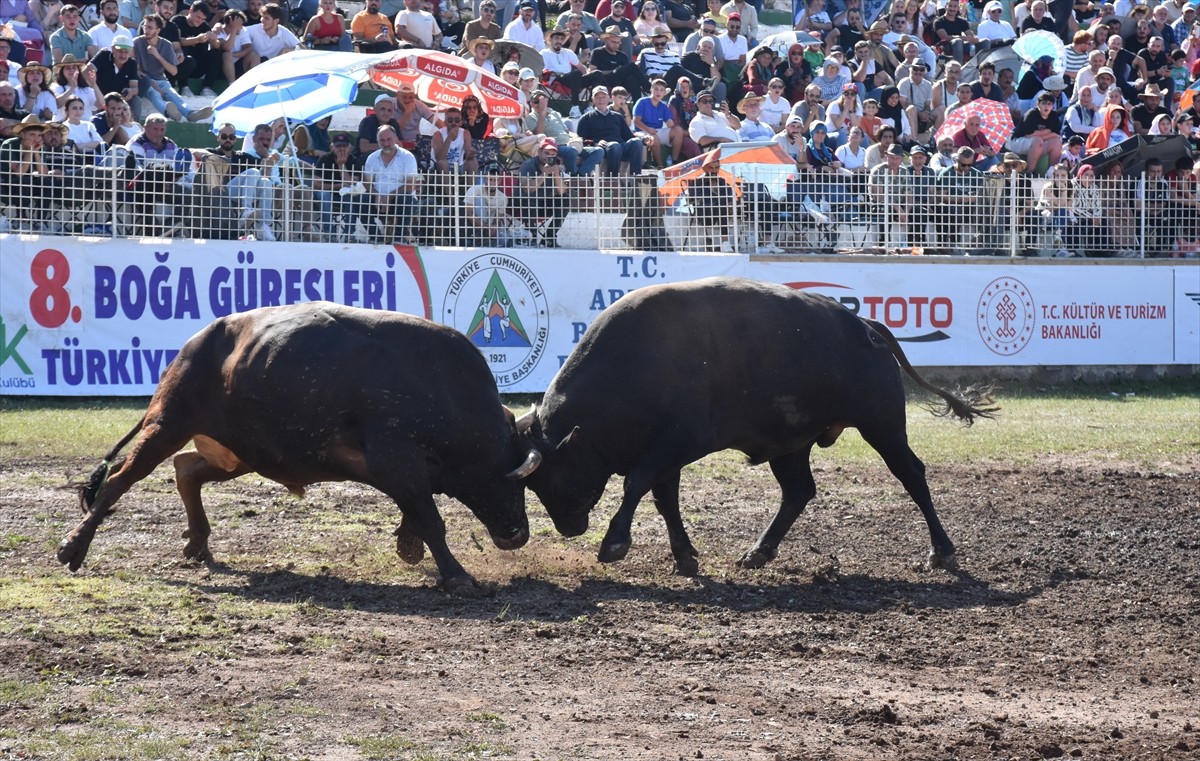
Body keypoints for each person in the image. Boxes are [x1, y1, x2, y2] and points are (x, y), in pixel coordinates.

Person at [134, 14, 211, 121]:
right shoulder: (137, 43)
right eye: (144, 27)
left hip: (161, 79)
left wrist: (158, 56)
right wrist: (155, 86)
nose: (146, 30)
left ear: (158, 30)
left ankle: (190, 114)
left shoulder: (166, 45)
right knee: (154, 94)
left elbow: (174, 71)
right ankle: (168, 112)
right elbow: (138, 70)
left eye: (149, 27)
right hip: (146, 80)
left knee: (173, 94)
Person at [125, 112, 190, 235]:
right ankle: (163, 228)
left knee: (193, 191)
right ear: (145, 128)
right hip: (146, 185)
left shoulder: (171, 145)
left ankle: (171, 226)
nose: (158, 133)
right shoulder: (136, 144)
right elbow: (137, 170)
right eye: (155, 129)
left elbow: (180, 169)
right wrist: (161, 182)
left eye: (162, 129)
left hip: (171, 184)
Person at [363, 124, 418, 242]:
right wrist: (376, 195)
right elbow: (367, 183)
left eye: (389, 139)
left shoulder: (407, 157)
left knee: (405, 199)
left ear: (396, 139)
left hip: (399, 198)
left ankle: (399, 236)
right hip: (377, 198)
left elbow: (410, 185)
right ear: (377, 141)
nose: (386, 143)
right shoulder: (372, 158)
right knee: (361, 198)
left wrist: (390, 196)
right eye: (382, 140)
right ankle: (375, 236)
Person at [308, 131, 368, 241]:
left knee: (350, 196)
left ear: (349, 147)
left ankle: (349, 234)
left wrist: (342, 165)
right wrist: (337, 186)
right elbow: (316, 183)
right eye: (338, 146)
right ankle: (329, 234)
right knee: (324, 195)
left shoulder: (354, 160)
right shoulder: (325, 159)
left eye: (344, 146)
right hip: (327, 194)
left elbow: (352, 184)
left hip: (344, 196)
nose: (341, 149)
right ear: (332, 147)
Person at [576, 85, 643, 175]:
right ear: (593, 99)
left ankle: (636, 177)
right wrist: (595, 142)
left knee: (636, 142)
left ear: (608, 98)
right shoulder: (586, 118)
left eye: (603, 97)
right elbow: (580, 139)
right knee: (614, 145)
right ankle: (612, 179)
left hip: (621, 146)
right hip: (604, 148)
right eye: (598, 97)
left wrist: (643, 139)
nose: (601, 100)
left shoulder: (617, 116)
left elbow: (628, 136)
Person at [516, 137, 569, 245]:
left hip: (543, 203)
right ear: (539, 152)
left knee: (565, 200)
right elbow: (528, 189)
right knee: (531, 197)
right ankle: (531, 234)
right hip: (522, 204)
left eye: (553, 155)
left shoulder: (557, 166)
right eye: (546, 153)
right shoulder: (528, 165)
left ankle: (549, 238)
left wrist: (557, 175)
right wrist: (543, 174)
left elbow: (562, 191)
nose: (549, 157)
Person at [934, 145, 984, 253]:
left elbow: (983, 195)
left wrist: (974, 198)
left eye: (969, 165)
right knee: (956, 209)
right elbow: (940, 196)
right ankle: (953, 242)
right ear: (957, 160)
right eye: (963, 164)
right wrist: (962, 199)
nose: (966, 168)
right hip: (953, 207)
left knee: (984, 210)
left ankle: (981, 242)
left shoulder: (976, 174)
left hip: (972, 207)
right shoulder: (947, 173)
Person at [685, 150, 736, 251]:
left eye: (716, 168)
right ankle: (725, 243)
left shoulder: (723, 183)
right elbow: (697, 199)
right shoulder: (697, 183)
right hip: (704, 215)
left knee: (724, 206)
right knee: (722, 205)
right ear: (704, 168)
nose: (714, 171)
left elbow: (730, 198)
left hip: (722, 214)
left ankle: (725, 243)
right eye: (711, 168)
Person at [173, 1, 222, 96]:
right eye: (198, 17)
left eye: (203, 19)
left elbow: (217, 45)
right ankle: (184, 87)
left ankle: (207, 88)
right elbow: (177, 41)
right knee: (183, 50)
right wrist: (197, 39)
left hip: (198, 66)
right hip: (181, 64)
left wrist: (214, 40)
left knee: (215, 53)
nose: (200, 21)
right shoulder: (178, 21)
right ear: (190, 11)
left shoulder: (204, 26)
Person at [464, 162, 517, 245]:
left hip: (490, 226)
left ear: (499, 180)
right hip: (473, 226)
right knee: (479, 200)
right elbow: (468, 213)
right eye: (490, 179)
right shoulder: (474, 189)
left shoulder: (502, 197)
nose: (492, 183)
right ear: (485, 179)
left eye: (495, 180)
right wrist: (484, 227)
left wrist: (493, 228)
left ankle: (486, 239)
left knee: (504, 238)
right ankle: (481, 236)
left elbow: (497, 220)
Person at [633, 77, 680, 165]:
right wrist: (648, 129)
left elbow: (670, 121)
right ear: (651, 90)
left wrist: (670, 122)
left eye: (661, 90)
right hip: (641, 131)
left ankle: (674, 162)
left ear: (664, 93)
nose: (658, 92)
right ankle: (660, 165)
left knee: (678, 131)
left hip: (656, 131)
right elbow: (636, 121)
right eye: (656, 89)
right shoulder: (642, 102)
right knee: (653, 137)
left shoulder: (663, 106)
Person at [1008, 93, 1062, 169]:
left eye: (1049, 104)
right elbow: (1028, 135)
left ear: (1053, 106)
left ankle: (1052, 172)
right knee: (1038, 141)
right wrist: (1048, 131)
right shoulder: (1031, 114)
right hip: (1018, 141)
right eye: (1043, 103)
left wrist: (1039, 134)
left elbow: (1056, 135)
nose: (1046, 106)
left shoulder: (1054, 116)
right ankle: (1030, 173)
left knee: (1056, 143)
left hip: (1037, 143)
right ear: (1038, 104)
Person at [902, 143, 935, 251]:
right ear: (910, 159)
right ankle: (915, 241)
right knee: (919, 210)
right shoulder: (905, 171)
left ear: (925, 159)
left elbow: (932, 192)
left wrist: (930, 204)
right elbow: (905, 193)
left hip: (925, 202)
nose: (918, 160)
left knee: (945, 210)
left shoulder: (930, 172)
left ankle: (944, 243)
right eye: (915, 157)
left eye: (921, 157)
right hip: (909, 202)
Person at [542, 28, 586, 106]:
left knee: (597, 74)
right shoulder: (544, 53)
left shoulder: (568, 52)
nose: (559, 41)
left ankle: (589, 105)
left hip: (570, 79)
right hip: (555, 80)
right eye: (556, 38)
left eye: (561, 39)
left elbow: (581, 67)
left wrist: (586, 76)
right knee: (576, 73)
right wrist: (558, 73)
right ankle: (575, 106)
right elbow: (543, 72)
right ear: (550, 39)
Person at [1069, 162, 1105, 255]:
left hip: (1090, 215)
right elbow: (1073, 207)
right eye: (1086, 175)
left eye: (1091, 176)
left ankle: (1099, 250)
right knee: (1076, 223)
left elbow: (1098, 205)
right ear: (1080, 175)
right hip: (1075, 214)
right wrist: (1090, 217)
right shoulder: (1072, 186)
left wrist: (1097, 216)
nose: (1089, 178)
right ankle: (1073, 250)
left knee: (1103, 221)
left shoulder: (1095, 187)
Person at [51, 54, 100, 121]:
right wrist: (72, 87)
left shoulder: (87, 89)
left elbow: (101, 105)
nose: (71, 70)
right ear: (62, 72)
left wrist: (94, 85)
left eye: (74, 67)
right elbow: (56, 104)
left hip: (84, 127)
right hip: (62, 127)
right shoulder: (56, 87)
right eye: (67, 68)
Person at [431, 105, 477, 172]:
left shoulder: (465, 133)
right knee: (443, 163)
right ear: (445, 123)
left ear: (461, 123)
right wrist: (449, 138)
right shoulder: (438, 134)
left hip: (458, 168)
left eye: (457, 120)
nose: (453, 123)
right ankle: (446, 183)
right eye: (450, 120)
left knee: (473, 162)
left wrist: (471, 154)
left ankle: (470, 183)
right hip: (438, 169)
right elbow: (439, 158)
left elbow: (468, 156)